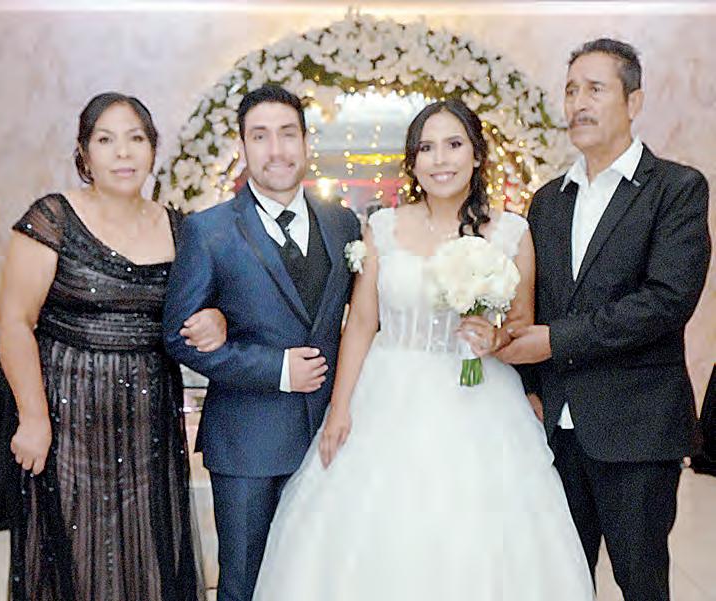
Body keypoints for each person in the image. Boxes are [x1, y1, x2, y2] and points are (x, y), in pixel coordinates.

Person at [251, 98, 594, 600]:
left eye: (453, 145)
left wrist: (494, 338)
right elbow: (362, 322)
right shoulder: (383, 228)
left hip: (480, 398)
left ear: (476, 154)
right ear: (412, 162)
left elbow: (522, 324)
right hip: (387, 394)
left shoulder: (513, 232)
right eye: (426, 148)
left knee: (477, 530)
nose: (440, 159)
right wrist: (340, 408)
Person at [497, 39, 711, 601]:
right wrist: (527, 379)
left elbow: (666, 301)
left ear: (633, 101)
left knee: (641, 582)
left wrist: (554, 341)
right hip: (554, 428)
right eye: (571, 90)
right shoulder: (548, 200)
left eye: (595, 89)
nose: (578, 103)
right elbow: (535, 304)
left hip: (637, 429)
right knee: (561, 581)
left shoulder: (676, 189)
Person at [0, 92, 227, 601]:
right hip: (65, 423)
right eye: (106, 140)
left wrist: (217, 319)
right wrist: (33, 418)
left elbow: (203, 309)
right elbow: (14, 321)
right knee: (77, 560)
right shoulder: (53, 218)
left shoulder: (180, 228)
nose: (123, 152)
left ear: (152, 149)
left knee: (147, 556)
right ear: (84, 152)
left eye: (135, 138)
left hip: (150, 427)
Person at [162, 85, 361, 601]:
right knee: (244, 585)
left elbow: (365, 319)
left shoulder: (342, 224)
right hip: (247, 444)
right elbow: (178, 336)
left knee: (321, 582)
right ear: (243, 147)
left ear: (306, 142)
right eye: (260, 136)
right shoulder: (207, 231)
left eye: (288, 134)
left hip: (330, 440)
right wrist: (276, 369)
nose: (277, 150)